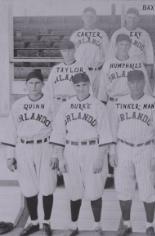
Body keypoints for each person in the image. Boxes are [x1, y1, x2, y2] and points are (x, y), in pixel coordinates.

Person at [50, 72, 115, 236]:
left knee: (95, 189)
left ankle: (97, 225)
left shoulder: (98, 105)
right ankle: (73, 225)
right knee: (73, 189)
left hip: (92, 148)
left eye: (84, 85)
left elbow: (105, 133)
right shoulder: (66, 106)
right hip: (71, 149)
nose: (81, 88)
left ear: (89, 86)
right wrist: (61, 157)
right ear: (73, 87)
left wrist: (101, 157)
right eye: (77, 86)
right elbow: (58, 133)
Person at [107, 70, 155, 236]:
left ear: (144, 83)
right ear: (128, 84)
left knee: (147, 189)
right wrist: (112, 152)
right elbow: (112, 129)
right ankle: (126, 224)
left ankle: (149, 225)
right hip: (123, 148)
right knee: (123, 187)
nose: (136, 85)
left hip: (146, 148)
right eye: (132, 82)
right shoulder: (119, 103)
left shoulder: (153, 103)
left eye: (139, 82)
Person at [2, 70, 57, 236]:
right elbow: (10, 131)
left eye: (37, 83)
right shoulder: (18, 105)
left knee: (48, 186)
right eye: (31, 83)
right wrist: (10, 156)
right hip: (23, 148)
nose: (34, 86)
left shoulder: (51, 104)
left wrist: (56, 154)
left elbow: (58, 131)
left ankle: (46, 222)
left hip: (45, 146)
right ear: (26, 86)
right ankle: (34, 222)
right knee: (28, 187)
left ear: (43, 85)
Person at [98, 34, 151, 104]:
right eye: (121, 44)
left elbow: (145, 84)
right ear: (116, 45)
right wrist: (102, 103)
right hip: (113, 101)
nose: (124, 47)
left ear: (130, 46)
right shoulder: (108, 64)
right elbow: (103, 87)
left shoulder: (137, 63)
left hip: (131, 102)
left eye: (126, 45)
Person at [44, 39, 93, 114]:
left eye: (69, 51)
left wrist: (88, 104)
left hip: (75, 103)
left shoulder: (82, 67)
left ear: (74, 50)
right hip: (58, 103)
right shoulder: (56, 69)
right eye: (64, 51)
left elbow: (89, 88)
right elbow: (49, 89)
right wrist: (50, 105)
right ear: (61, 52)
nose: (67, 54)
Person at [70, 6, 110, 93]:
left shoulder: (102, 34)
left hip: (97, 71)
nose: (89, 19)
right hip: (80, 71)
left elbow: (108, 55)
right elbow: (71, 56)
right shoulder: (76, 35)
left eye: (92, 16)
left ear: (96, 18)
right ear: (82, 17)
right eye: (87, 16)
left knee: (96, 99)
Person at [109, 7, 154, 77]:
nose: (132, 20)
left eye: (134, 18)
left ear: (138, 19)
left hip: (139, 67)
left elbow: (149, 52)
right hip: (121, 67)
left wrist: (149, 67)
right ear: (125, 18)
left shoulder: (144, 34)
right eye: (129, 17)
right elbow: (111, 52)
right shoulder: (117, 33)